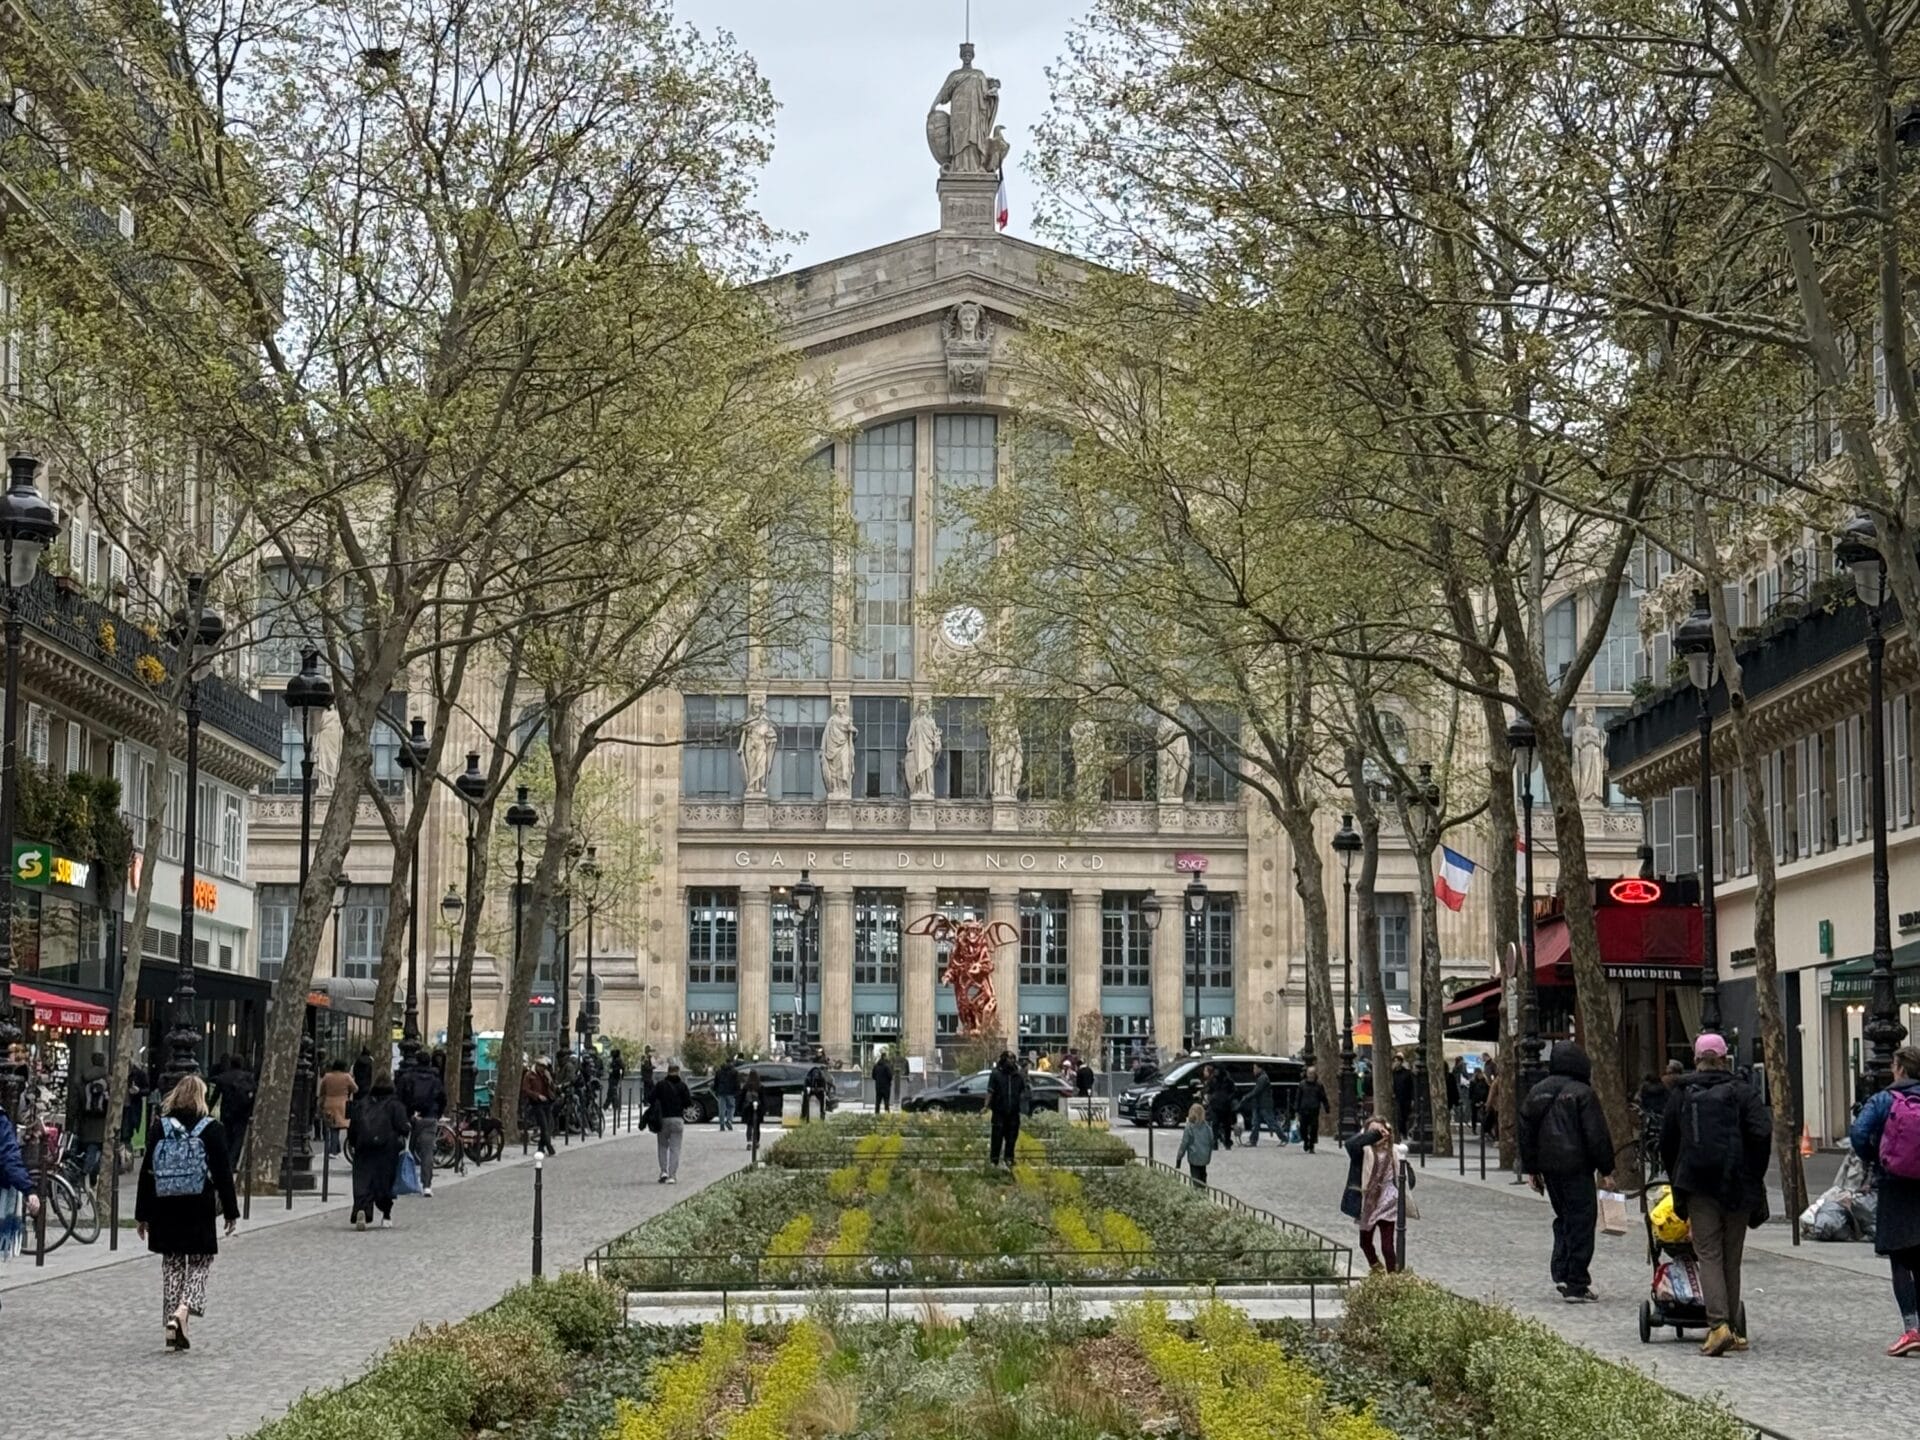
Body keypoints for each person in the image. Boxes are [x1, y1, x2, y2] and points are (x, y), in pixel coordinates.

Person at [1661, 1032, 1773, 1356]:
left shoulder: (1683, 1092)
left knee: (1707, 1253)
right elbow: (1761, 1132)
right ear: (1724, 1059)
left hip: (1698, 1185)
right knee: (1731, 1255)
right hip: (1737, 1183)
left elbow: (1668, 1140)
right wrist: (1753, 1172)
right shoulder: (1743, 1091)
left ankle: (1718, 1325)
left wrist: (1677, 1175)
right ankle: (1735, 1330)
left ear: (1696, 1059)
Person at [135, 1074, 239, 1350]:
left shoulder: (161, 1126)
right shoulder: (211, 1128)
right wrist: (231, 1211)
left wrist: (142, 1214)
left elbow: (147, 1171)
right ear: (201, 1097)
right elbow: (223, 1173)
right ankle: (183, 1311)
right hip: (198, 1204)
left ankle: (173, 1322)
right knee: (201, 1262)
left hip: (164, 1204)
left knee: (172, 1263)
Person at [1517, 1043, 1616, 1303]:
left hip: (1550, 1169)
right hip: (1577, 1167)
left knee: (1564, 1218)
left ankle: (1562, 1270)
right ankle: (1576, 1281)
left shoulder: (1536, 1093)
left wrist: (1531, 1170)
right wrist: (1606, 1169)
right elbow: (1596, 1134)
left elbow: (1525, 1135)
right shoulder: (1583, 1093)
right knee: (1582, 1221)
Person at [1847, 1044, 1920, 1356]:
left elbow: (1859, 1133)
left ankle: (1912, 1329)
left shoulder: (1883, 1099)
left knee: (1901, 1261)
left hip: (1895, 1185)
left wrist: (1876, 1158)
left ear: (1899, 1068)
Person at [346, 1071, 409, 1231]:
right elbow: (403, 1127)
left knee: (363, 1180)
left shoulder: (362, 1103)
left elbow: (354, 1126)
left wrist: (354, 1142)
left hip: (364, 1147)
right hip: (387, 1148)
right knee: (383, 1181)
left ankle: (361, 1209)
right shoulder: (395, 1104)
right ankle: (386, 1213)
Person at [1342, 1116, 1404, 1272]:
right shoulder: (1362, 1152)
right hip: (1368, 1201)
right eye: (1372, 1131)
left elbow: (1406, 1178)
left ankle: (1393, 1278)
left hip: (1388, 1200)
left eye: (1380, 1130)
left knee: (1387, 1246)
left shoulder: (1395, 1151)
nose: (1378, 1134)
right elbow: (1350, 1144)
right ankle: (1376, 1267)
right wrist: (1373, 1135)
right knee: (1365, 1242)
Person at [396, 1051, 447, 1199]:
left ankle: (402, 1180)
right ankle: (427, 1185)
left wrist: (405, 1115)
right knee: (427, 1153)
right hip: (429, 1117)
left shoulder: (407, 1077)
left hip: (410, 1117)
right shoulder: (435, 1079)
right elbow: (443, 1098)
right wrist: (437, 1114)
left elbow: (399, 1097)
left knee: (404, 1150)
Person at [66, 1049, 111, 1183]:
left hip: (86, 1121)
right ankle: (92, 1172)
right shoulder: (109, 1080)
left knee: (90, 1149)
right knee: (100, 1150)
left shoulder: (82, 1079)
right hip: (103, 1122)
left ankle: (84, 1174)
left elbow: (74, 1104)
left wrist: (71, 1122)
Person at [651, 1059, 693, 1183]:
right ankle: (672, 1175)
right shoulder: (682, 1086)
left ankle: (663, 1171)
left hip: (663, 1119)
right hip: (677, 1119)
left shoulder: (660, 1085)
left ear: (667, 1072)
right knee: (675, 1148)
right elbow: (688, 1103)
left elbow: (650, 1098)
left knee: (662, 1146)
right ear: (678, 1072)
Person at [213, 1056, 256, 1170]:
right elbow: (253, 1095)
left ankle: (227, 1161)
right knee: (239, 1138)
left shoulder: (222, 1078)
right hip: (242, 1112)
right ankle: (233, 1161)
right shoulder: (248, 1077)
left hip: (227, 1112)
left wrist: (207, 1109)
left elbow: (215, 1096)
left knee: (228, 1137)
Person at [987, 1050, 1028, 1166]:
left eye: (1013, 1059)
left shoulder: (1018, 1075)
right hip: (999, 1111)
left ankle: (1009, 1159)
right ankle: (994, 1160)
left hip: (1013, 1112)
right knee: (997, 1137)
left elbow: (1024, 1092)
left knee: (1011, 1138)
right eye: (1009, 1058)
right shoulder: (996, 1074)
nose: (1012, 1061)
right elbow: (990, 1091)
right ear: (1004, 1059)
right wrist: (986, 1106)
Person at [318, 1059, 356, 1155]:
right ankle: (335, 1150)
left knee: (332, 1127)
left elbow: (322, 1090)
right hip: (343, 1104)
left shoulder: (327, 1077)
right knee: (340, 1127)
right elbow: (355, 1088)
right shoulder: (346, 1077)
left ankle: (334, 1149)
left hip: (329, 1103)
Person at [520, 1058, 556, 1156]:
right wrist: (537, 1096)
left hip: (547, 1102)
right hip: (536, 1103)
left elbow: (552, 1088)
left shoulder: (545, 1074)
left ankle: (540, 1148)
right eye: (542, 1067)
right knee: (544, 1126)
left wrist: (549, 1079)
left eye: (544, 1068)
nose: (543, 1069)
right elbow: (525, 1089)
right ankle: (550, 1148)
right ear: (537, 1065)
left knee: (548, 1126)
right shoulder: (529, 1075)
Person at [1176, 1102, 1215, 1184]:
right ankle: (1203, 1190)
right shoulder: (1207, 1127)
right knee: (1203, 1175)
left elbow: (1184, 1144)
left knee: (1195, 1177)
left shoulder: (1189, 1128)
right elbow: (1211, 1141)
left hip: (1194, 1157)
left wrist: (1179, 1158)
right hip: (1205, 1157)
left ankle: (1197, 1192)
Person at [1244, 1065, 1282, 1146]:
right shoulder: (1260, 1077)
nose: (1253, 1070)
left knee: (1271, 1122)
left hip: (1264, 1104)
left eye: (1255, 1068)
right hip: (1258, 1104)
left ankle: (1283, 1138)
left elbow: (1256, 1091)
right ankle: (1253, 1141)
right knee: (1255, 1123)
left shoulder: (1263, 1078)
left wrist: (1246, 1097)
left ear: (1260, 1068)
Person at [1296, 1066, 1329, 1154]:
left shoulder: (1319, 1085)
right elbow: (1298, 1097)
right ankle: (1306, 1140)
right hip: (1304, 1109)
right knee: (1303, 1128)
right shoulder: (1302, 1084)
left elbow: (1323, 1097)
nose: (1310, 1075)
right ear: (1306, 1074)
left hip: (1314, 1109)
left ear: (1315, 1075)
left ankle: (1311, 1145)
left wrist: (1326, 1107)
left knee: (1314, 1128)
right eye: (1309, 1073)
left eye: (1312, 1074)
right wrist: (1296, 1109)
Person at [1206, 1063, 1238, 1150]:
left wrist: (1228, 1098)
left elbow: (1234, 1091)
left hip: (1226, 1107)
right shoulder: (1213, 1080)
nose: (1215, 1072)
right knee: (1215, 1124)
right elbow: (1209, 1090)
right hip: (1215, 1106)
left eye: (1217, 1070)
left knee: (1227, 1126)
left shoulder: (1228, 1080)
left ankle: (1227, 1142)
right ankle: (1214, 1142)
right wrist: (1211, 1099)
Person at [739, 1068, 766, 1153]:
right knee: (757, 1126)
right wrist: (764, 1109)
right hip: (757, 1108)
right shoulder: (760, 1086)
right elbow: (763, 1099)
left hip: (747, 1108)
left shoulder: (746, 1086)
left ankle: (749, 1142)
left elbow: (741, 1098)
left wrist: (739, 1108)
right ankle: (757, 1142)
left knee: (749, 1126)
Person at [1392, 1054, 1417, 1137]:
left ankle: (1404, 1132)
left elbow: (1411, 1086)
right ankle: (1400, 1132)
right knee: (1398, 1115)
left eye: (1397, 1061)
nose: (1395, 1063)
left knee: (1405, 1115)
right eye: (1394, 1061)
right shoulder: (1392, 1073)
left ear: (1401, 1062)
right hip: (1396, 1097)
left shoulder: (1407, 1073)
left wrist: (1413, 1098)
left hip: (1406, 1097)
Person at [713, 1054, 740, 1132]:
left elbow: (716, 1082)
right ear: (732, 1062)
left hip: (721, 1092)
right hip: (731, 1092)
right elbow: (737, 1083)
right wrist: (737, 1091)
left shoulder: (719, 1071)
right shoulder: (734, 1071)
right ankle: (729, 1120)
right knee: (731, 1107)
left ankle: (721, 1124)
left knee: (721, 1109)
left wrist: (716, 1090)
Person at [351, 1045, 374, 1116]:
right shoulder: (370, 1062)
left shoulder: (357, 1061)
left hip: (358, 1084)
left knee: (357, 1102)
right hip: (367, 1085)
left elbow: (353, 1072)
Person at [1467, 1064, 1490, 1134]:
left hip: (1479, 1100)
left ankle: (1479, 1129)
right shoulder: (1484, 1081)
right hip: (1479, 1100)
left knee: (1478, 1115)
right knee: (1477, 1115)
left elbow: (1470, 1092)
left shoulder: (1477, 1081)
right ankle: (1477, 1129)